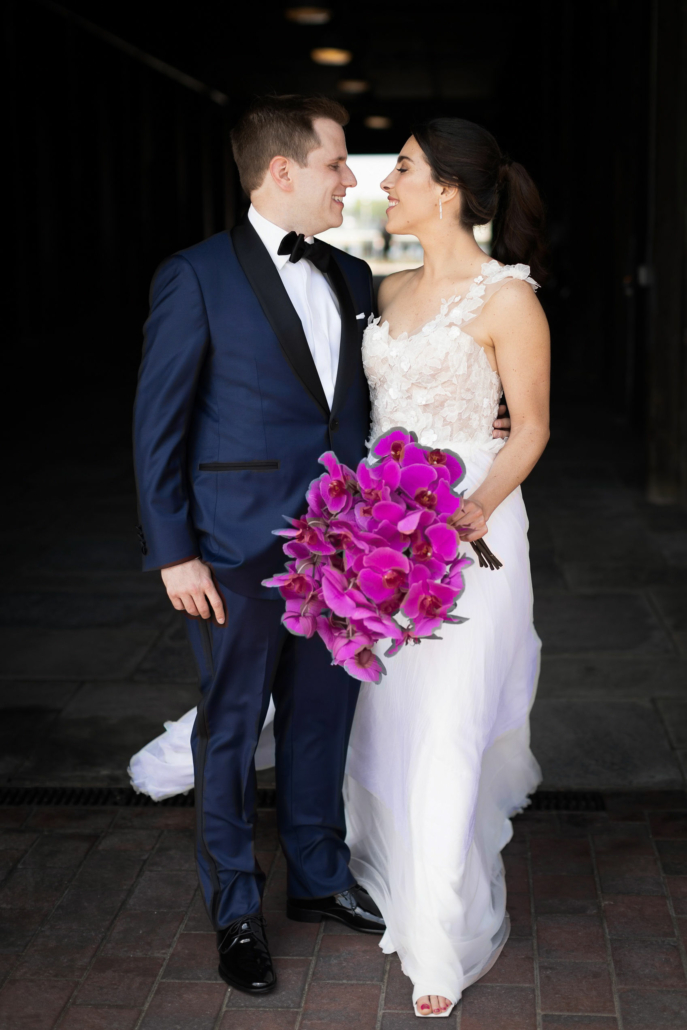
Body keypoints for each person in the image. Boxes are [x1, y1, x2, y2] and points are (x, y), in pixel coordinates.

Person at [131, 95, 514, 998]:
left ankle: (317, 877)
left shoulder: (350, 277)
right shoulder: (194, 276)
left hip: (342, 552)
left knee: (321, 721)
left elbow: (396, 391)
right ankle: (234, 909)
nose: (355, 180)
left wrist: (486, 418)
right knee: (227, 734)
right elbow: (157, 424)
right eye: (339, 164)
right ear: (281, 172)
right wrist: (172, 550)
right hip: (230, 549)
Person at [344, 119, 549, 1017]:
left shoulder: (507, 299)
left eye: (403, 170)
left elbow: (532, 426)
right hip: (378, 536)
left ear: (450, 191)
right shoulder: (382, 290)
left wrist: (470, 508)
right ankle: (393, 877)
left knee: (451, 722)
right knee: (390, 715)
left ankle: (438, 935)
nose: (386, 184)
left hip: (474, 533)